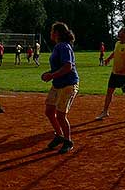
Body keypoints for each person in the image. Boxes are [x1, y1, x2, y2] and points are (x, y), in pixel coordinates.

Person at [41, 22, 79, 154]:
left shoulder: (63, 47)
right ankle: (59, 135)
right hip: (58, 84)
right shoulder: (58, 46)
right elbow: (59, 67)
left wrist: (51, 75)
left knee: (61, 115)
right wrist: (49, 74)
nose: (50, 33)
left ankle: (68, 141)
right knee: (49, 111)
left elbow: (68, 66)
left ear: (57, 33)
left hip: (68, 84)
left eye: (52, 31)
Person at [96, 27, 125, 123]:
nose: (118, 33)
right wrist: (108, 59)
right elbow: (115, 52)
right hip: (115, 73)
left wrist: (123, 70)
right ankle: (105, 111)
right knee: (109, 92)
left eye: (121, 31)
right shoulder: (117, 43)